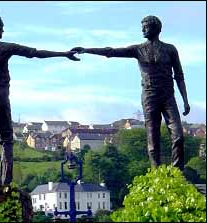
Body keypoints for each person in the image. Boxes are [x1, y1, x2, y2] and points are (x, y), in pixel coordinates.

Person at [0, 14, 79, 186]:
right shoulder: (5, 47)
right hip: (1, 95)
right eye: (2, 27)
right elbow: (35, 53)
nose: (3, 30)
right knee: (6, 139)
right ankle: (6, 181)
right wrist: (63, 54)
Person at [71, 15, 190, 171]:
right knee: (153, 141)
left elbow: (179, 75)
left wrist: (185, 100)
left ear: (156, 28)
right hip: (150, 96)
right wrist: (87, 50)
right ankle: (156, 174)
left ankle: (177, 173)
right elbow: (111, 52)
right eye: (142, 27)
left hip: (168, 96)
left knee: (178, 136)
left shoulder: (170, 49)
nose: (142, 29)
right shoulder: (138, 49)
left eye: (146, 26)